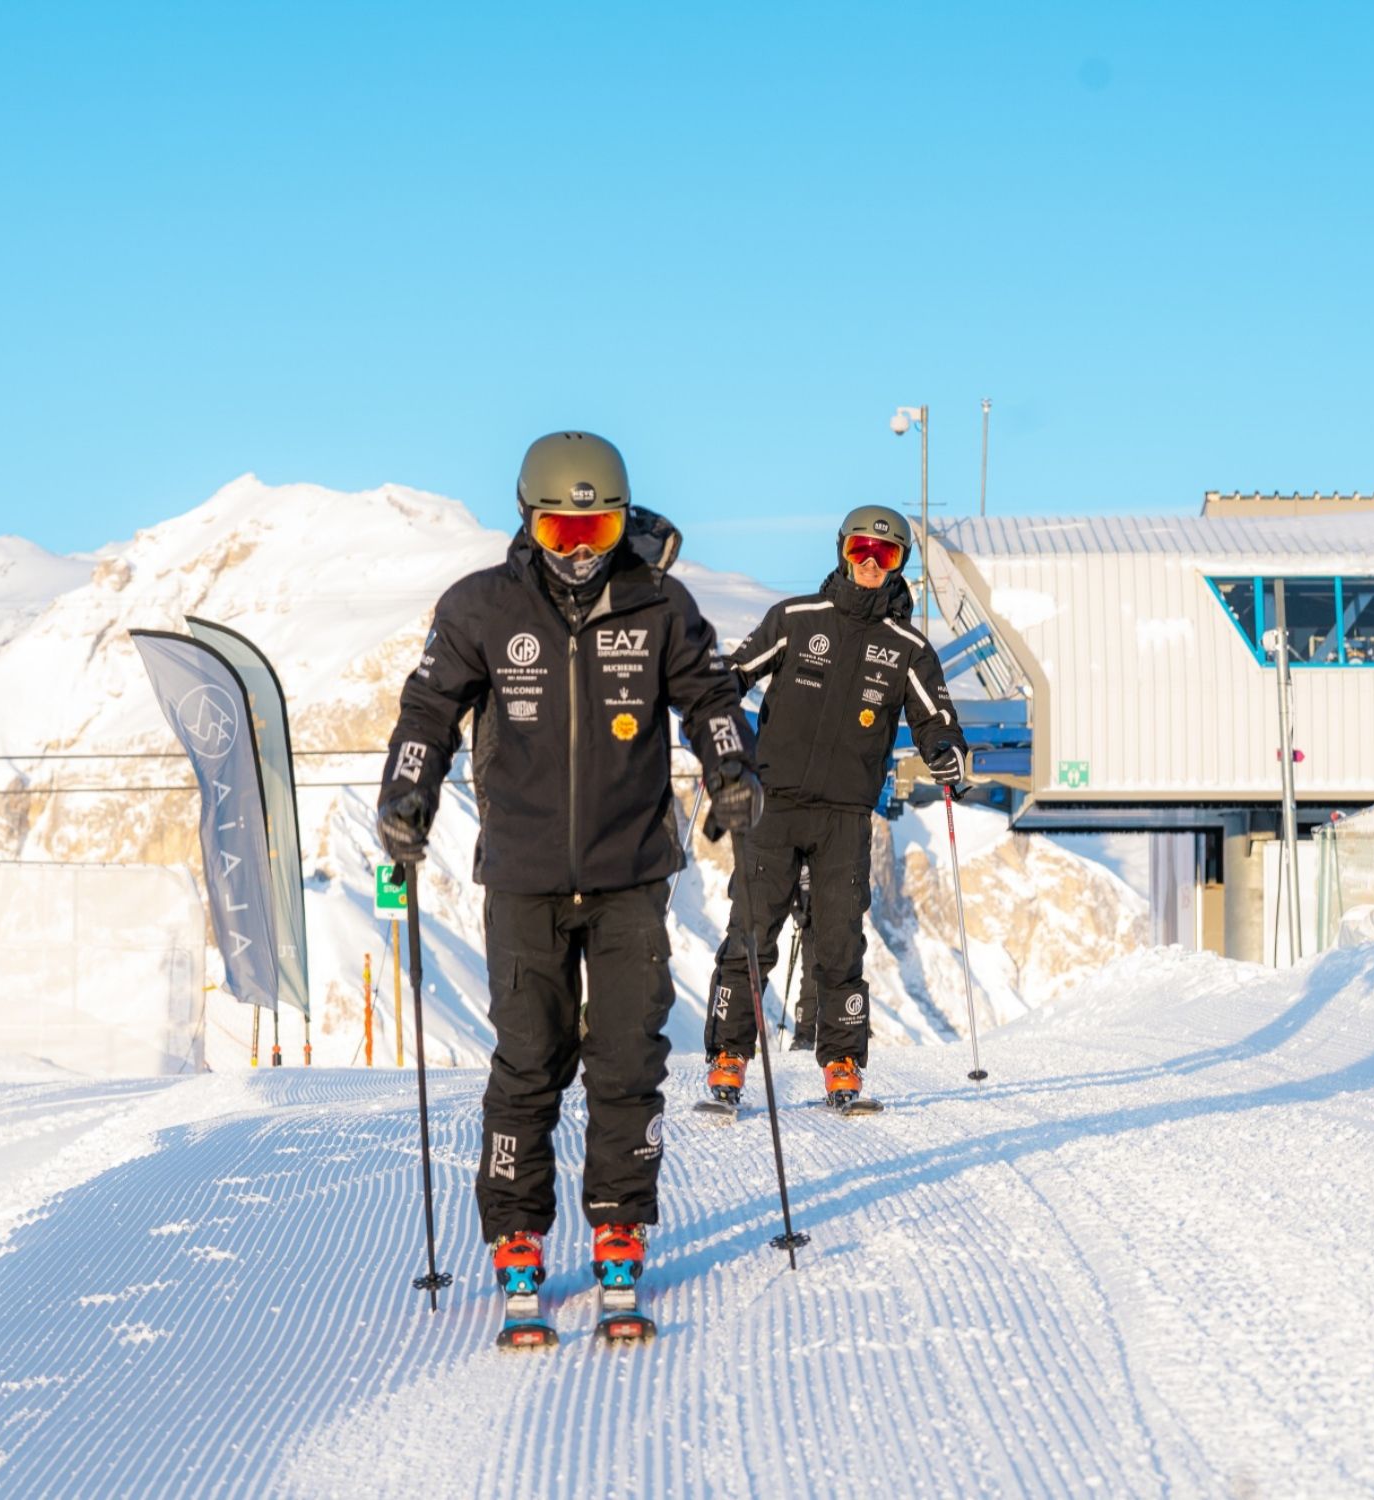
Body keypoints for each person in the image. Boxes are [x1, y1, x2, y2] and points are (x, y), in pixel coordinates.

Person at [377, 430, 760, 1325]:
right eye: (561, 533)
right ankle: (517, 1235)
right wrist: (407, 795)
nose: (581, 554)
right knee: (529, 1061)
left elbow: (710, 698)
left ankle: (620, 1224)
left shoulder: (659, 604)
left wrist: (733, 769)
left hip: (632, 874)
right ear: (528, 521)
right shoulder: (481, 608)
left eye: (599, 532)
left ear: (622, 524)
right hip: (524, 875)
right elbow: (428, 710)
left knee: (627, 1059)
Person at [702, 504, 967, 1108]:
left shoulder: (908, 648)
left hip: (845, 815)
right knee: (751, 932)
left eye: (886, 554)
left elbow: (936, 718)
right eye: (861, 551)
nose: (871, 563)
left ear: (900, 564)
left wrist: (946, 751)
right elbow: (737, 670)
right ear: (843, 552)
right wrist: (713, 691)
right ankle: (729, 1057)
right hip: (774, 804)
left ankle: (843, 1062)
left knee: (840, 942)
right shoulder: (796, 619)